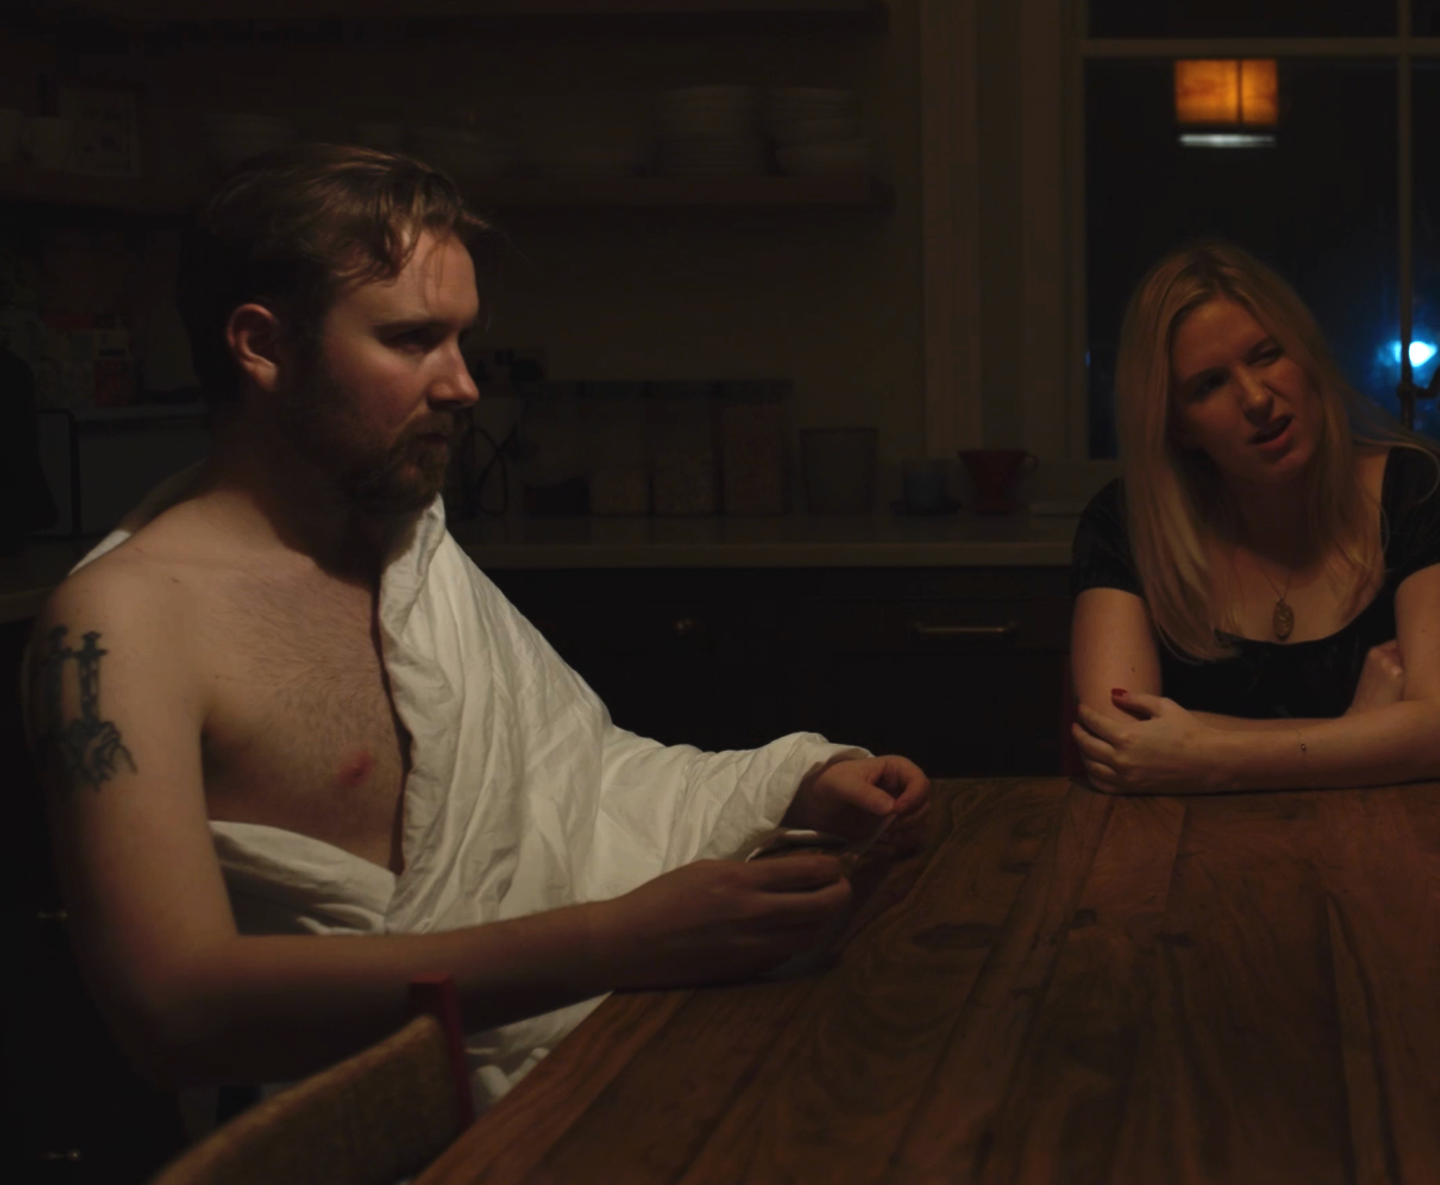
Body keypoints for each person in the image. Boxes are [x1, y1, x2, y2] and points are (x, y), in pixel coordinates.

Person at [22, 145, 931, 1114]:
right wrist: (609, 942)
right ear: (262, 344)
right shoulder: (124, 628)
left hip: (589, 1089)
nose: (461, 385)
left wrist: (792, 782)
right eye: (413, 339)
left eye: (461, 341)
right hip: (356, 1140)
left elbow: (573, 782)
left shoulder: (404, 549)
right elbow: (174, 1013)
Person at [1068, 241, 1440, 792]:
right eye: (1209, 385)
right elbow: (1120, 741)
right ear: (1178, 427)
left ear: (1307, 355)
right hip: (1188, 858)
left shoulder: (1417, 492)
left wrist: (1208, 755)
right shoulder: (1124, 523)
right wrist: (1362, 732)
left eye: (1267, 355)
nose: (1256, 398)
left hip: (1388, 850)